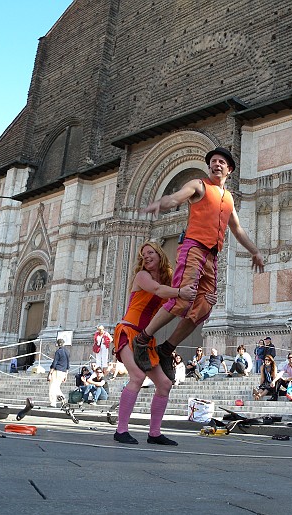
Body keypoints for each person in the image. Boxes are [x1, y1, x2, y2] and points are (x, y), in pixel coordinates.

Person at [131, 147, 265, 382]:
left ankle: (166, 349)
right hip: (193, 248)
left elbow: (237, 229)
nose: (216, 164)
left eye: (221, 162)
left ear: (229, 169)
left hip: (212, 256)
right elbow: (177, 197)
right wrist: (162, 203)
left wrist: (255, 251)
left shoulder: (229, 199)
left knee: (204, 306)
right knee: (183, 298)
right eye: (213, 161)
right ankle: (142, 339)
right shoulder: (199, 185)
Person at [112, 241, 200, 445]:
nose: (147, 257)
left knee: (165, 383)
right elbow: (159, 290)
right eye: (143, 255)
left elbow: (178, 293)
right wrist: (180, 292)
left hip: (146, 337)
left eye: (150, 252)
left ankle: (154, 433)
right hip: (127, 330)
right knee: (137, 376)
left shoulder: (167, 278)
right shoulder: (142, 276)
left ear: (160, 254)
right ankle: (121, 430)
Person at [48, 338, 70, 407]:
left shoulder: (58, 352)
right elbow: (68, 364)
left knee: (52, 387)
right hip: (63, 372)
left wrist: (50, 373)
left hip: (57, 370)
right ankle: (62, 398)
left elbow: (55, 363)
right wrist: (66, 374)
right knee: (57, 386)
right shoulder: (67, 352)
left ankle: (53, 403)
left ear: (57, 344)